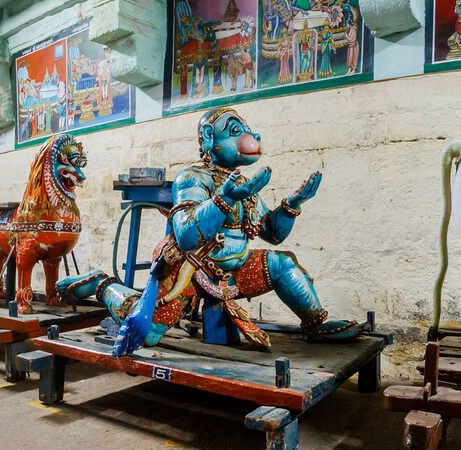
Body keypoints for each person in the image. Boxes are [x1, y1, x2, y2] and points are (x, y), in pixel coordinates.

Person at [57, 108, 367, 355]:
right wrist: (224, 199)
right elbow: (187, 235)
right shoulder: (192, 178)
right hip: (191, 272)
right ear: (209, 137)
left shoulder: (242, 185)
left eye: (246, 131)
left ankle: (314, 324)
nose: (248, 137)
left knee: (284, 264)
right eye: (235, 132)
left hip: (235, 271)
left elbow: (272, 233)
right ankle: (101, 284)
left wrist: (292, 204)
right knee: (149, 333)